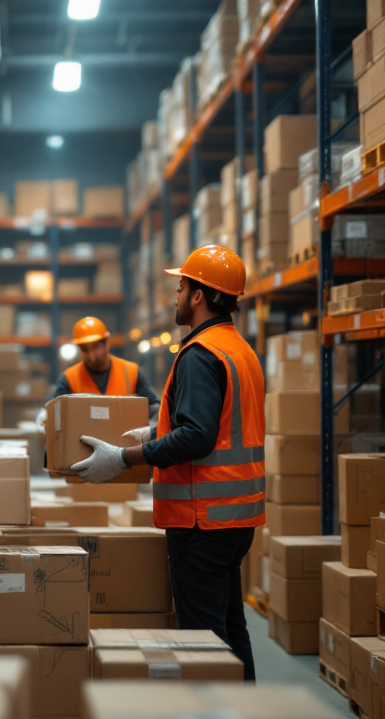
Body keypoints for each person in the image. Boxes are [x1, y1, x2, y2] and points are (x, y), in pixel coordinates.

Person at [69, 245, 263, 681]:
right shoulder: (240, 351)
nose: (175, 295)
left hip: (201, 521)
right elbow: (218, 422)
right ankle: (250, 716)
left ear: (198, 296)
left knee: (204, 642)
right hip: (237, 518)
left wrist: (122, 458)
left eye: (181, 287)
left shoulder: (199, 354)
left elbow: (197, 436)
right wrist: (157, 432)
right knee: (232, 629)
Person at [49, 316, 160, 417]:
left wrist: (148, 431)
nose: (91, 356)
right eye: (85, 349)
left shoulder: (131, 372)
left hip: (126, 437)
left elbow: (155, 407)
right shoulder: (69, 379)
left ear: (107, 343)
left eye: (95, 347)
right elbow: (55, 413)